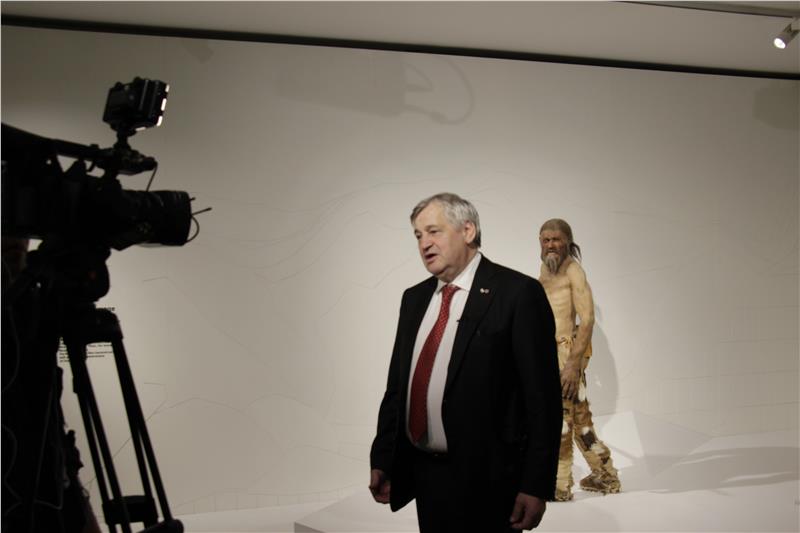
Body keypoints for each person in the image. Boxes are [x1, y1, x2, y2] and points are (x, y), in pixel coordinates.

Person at [369, 193, 562, 532]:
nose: (424, 243)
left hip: (492, 483)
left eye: (434, 231)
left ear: (468, 231)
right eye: (418, 235)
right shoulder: (414, 299)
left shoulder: (518, 293)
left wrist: (535, 484)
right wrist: (384, 457)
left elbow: (542, 401)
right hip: (426, 477)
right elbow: (398, 388)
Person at [537, 219, 621, 502]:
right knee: (579, 418)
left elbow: (587, 319)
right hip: (549, 355)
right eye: (546, 239)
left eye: (556, 239)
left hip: (565, 357)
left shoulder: (574, 271)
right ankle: (605, 474)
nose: (550, 245)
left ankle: (560, 485)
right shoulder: (547, 268)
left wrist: (574, 365)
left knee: (560, 419)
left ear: (568, 242)